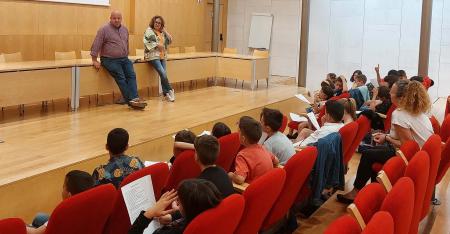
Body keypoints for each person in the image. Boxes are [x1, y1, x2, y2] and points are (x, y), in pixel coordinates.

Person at [337, 80, 433, 204]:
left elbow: (408, 146)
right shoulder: (416, 110)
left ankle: (357, 192)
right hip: (423, 156)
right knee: (373, 152)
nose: (389, 94)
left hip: (413, 158)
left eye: (391, 92)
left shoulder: (400, 114)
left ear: (401, 97)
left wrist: (387, 138)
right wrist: (386, 136)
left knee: (368, 155)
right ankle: (375, 194)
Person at [159, 135, 234, 225]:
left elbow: (192, 214)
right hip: (224, 222)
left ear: (196, 157)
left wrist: (176, 210)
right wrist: (172, 216)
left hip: (207, 225)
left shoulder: (198, 186)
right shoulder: (223, 172)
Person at [90, 11, 147, 110]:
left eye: (118, 18)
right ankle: (132, 103)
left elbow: (126, 43)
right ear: (110, 18)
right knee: (121, 78)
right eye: (114, 18)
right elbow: (96, 44)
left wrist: (126, 53)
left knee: (132, 75)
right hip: (109, 60)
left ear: (121, 18)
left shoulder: (124, 29)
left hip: (124, 58)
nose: (116, 20)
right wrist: (94, 60)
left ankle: (135, 98)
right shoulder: (104, 29)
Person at [128, 179, 221, 234]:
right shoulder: (211, 220)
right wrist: (173, 216)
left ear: (188, 210)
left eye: (180, 203)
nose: (178, 206)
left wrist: (148, 214)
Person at [26, 170, 94, 234]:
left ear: (69, 195)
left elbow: (35, 232)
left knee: (21, 225)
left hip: (60, 229)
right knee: (39, 217)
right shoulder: (93, 207)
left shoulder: (63, 214)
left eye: (63, 187)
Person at [229, 116, 279, 184]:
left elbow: (240, 179)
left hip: (251, 190)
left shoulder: (242, 155)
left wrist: (231, 175)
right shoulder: (262, 148)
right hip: (267, 186)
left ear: (243, 138)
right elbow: (276, 161)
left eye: (239, 132)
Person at [144, 15, 175, 102]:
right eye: (156, 22)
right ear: (153, 22)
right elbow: (147, 42)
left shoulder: (161, 32)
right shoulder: (149, 31)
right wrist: (158, 45)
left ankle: (166, 94)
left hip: (162, 56)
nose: (157, 24)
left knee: (163, 74)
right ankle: (170, 89)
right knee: (162, 72)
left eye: (159, 23)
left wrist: (165, 30)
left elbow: (170, 40)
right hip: (152, 56)